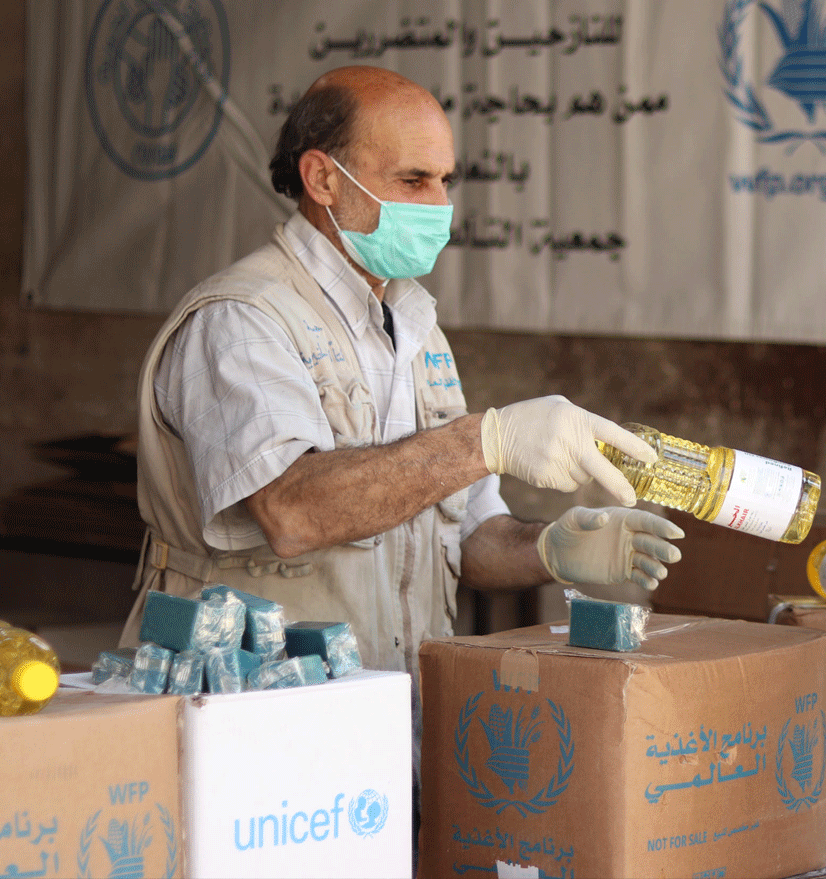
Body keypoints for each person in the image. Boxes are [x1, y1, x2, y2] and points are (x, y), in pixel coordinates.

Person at [120, 66, 684, 684]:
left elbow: (466, 538)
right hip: (259, 710)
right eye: (413, 180)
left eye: (444, 182)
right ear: (322, 178)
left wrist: (550, 549)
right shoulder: (244, 319)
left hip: (391, 713)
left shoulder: (414, 326)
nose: (439, 207)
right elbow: (291, 512)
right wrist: (482, 442)